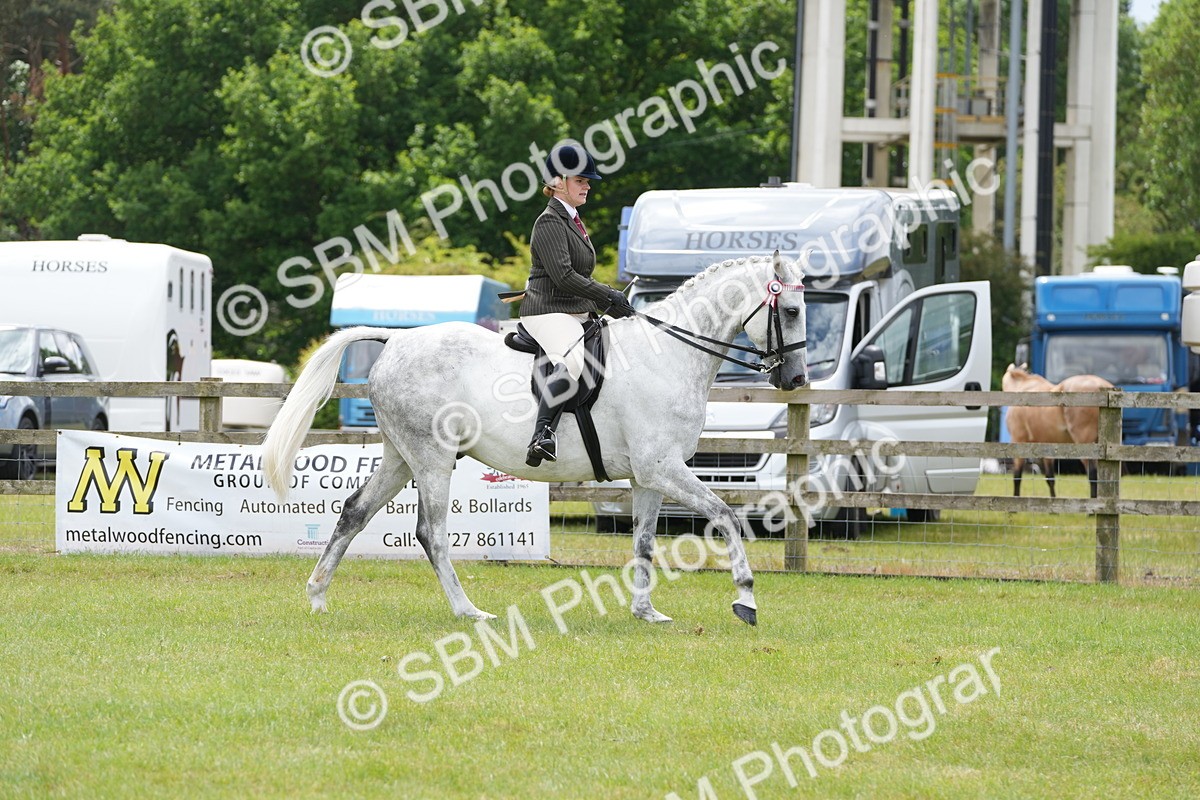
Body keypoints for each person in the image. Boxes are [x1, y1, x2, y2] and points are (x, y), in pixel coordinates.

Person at [521, 142, 636, 467]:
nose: (587, 185)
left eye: (587, 181)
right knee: (570, 362)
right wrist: (606, 294)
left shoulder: (572, 220)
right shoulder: (549, 222)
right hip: (546, 311)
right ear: (558, 181)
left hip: (571, 309)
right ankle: (542, 434)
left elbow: (578, 281)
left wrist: (612, 306)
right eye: (581, 180)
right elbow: (564, 277)